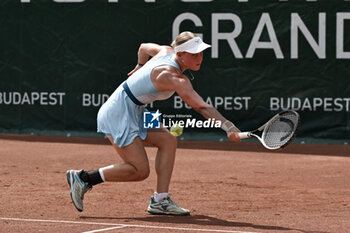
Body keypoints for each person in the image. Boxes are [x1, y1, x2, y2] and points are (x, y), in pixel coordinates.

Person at [66, 31, 241, 216]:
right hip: (119, 112)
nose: (200, 58)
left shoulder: (165, 50)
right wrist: (229, 127)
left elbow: (143, 47)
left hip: (138, 109)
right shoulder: (174, 77)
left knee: (168, 140)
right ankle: (84, 178)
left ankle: (160, 201)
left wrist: (140, 66)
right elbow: (202, 107)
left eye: (201, 53)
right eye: (194, 54)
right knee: (139, 171)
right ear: (179, 54)